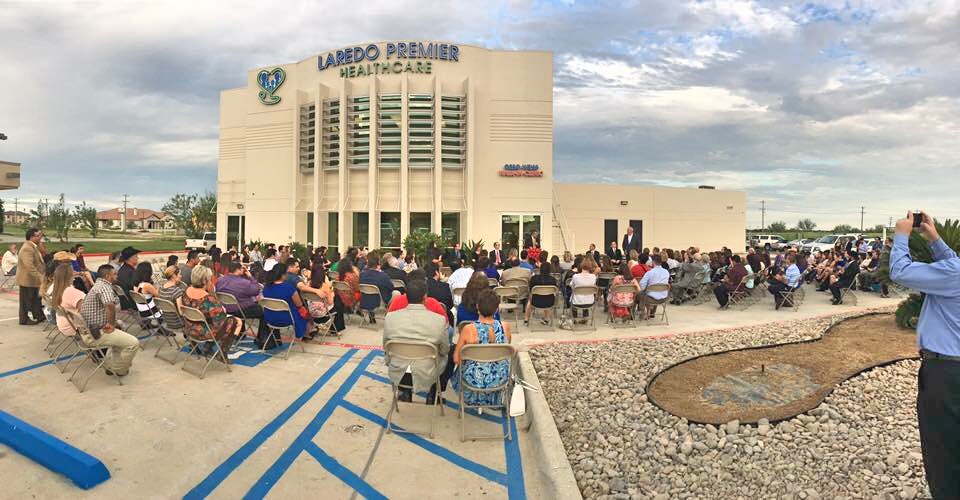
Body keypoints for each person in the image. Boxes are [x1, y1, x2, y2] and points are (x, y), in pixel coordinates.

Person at [886, 211, 960, 498]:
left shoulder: (954, 273)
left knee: (944, 449)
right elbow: (952, 266)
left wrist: (902, 234)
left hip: (947, 376)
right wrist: (935, 239)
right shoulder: (954, 271)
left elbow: (900, 271)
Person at [382, 274, 450, 404]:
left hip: (398, 371)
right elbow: (445, 350)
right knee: (451, 351)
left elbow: (386, 346)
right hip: (428, 372)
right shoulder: (439, 320)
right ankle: (433, 394)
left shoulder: (390, 318)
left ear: (406, 296)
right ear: (425, 297)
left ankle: (405, 393)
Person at [452, 289, 512, 406]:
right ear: (496, 309)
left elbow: (456, 359)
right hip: (499, 379)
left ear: (477, 307)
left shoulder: (469, 329)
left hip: (473, 380)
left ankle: (472, 399)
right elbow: (506, 352)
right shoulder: (505, 327)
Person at [79, 265, 141, 376]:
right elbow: (110, 305)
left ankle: (113, 365)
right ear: (108, 276)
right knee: (133, 343)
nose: (117, 276)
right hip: (96, 334)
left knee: (119, 329)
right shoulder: (105, 287)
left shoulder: (98, 285)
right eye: (115, 274)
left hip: (88, 331)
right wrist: (111, 324)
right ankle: (118, 369)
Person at [181, 265, 244, 354]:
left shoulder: (186, 291)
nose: (211, 281)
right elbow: (221, 320)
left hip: (189, 328)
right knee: (235, 321)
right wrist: (212, 293)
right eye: (210, 279)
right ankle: (222, 353)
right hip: (203, 333)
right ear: (204, 281)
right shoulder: (208, 299)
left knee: (212, 320)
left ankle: (205, 347)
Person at [216, 260, 269, 340]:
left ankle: (240, 334)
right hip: (240, 310)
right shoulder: (243, 282)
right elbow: (256, 291)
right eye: (242, 268)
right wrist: (250, 277)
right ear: (238, 270)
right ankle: (262, 339)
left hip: (226, 309)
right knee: (264, 312)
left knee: (243, 302)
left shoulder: (220, 280)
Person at [261, 262, 313, 341]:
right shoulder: (289, 287)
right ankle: (306, 334)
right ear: (283, 275)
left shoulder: (266, 287)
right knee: (305, 313)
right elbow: (299, 304)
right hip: (287, 319)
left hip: (269, 318)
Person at [17, 228, 45, 325]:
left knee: (35, 299)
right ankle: (24, 320)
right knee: (25, 302)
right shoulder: (27, 248)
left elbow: (42, 257)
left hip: (33, 280)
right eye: (38, 236)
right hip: (27, 280)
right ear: (31, 237)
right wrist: (40, 276)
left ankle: (38, 315)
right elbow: (29, 266)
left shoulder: (34, 246)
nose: (40, 237)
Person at [359, 251, 394, 323]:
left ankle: (371, 314)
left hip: (364, 302)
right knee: (396, 293)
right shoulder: (383, 275)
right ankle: (389, 316)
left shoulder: (362, 274)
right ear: (378, 263)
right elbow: (391, 287)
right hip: (379, 304)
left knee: (373, 292)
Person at [52, 263, 85, 336]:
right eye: (73, 271)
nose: (75, 273)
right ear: (70, 275)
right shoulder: (71, 292)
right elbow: (86, 312)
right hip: (75, 327)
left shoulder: (58, 289)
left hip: (64, 325)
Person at [570, 256, 598, 322]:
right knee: (586, 294)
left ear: (581, 266)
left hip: (577, 302)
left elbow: (571, 286)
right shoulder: (593, 277)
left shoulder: (575, 276)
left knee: (574, 297)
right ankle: (585, 318)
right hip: (590, 301)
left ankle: (575, 319)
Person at [158, 265, 185, 330]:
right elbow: (181, 312)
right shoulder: (176, 291)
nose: (181, 276)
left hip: (168, 322)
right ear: (174, 276)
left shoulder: (161, 288)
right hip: (178, 323)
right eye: (179, 274)